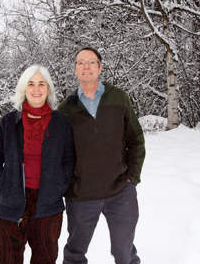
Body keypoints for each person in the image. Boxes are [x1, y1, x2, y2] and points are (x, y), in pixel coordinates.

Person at [57, 47, 146, 264]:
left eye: (91, 62)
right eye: (81, 63)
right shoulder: (65, 110)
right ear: (75, 69)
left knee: (125, 254)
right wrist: (68, 185)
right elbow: (58, 155)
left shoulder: (119, 98)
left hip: (120, 193)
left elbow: (135, 140)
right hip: (82, 197)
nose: (86, 66)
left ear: (100, 67)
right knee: (75, 255)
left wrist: (131, 178)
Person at [0, 65, 76, 264]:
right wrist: (3, 187)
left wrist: (58, 187)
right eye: (31, 84)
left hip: (48, 206)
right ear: (24, 89)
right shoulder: (9, 122)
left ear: (48, 88)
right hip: (10, 205)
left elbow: (68, 159)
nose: (36, 89)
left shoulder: (61, 123)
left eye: (41, 84)